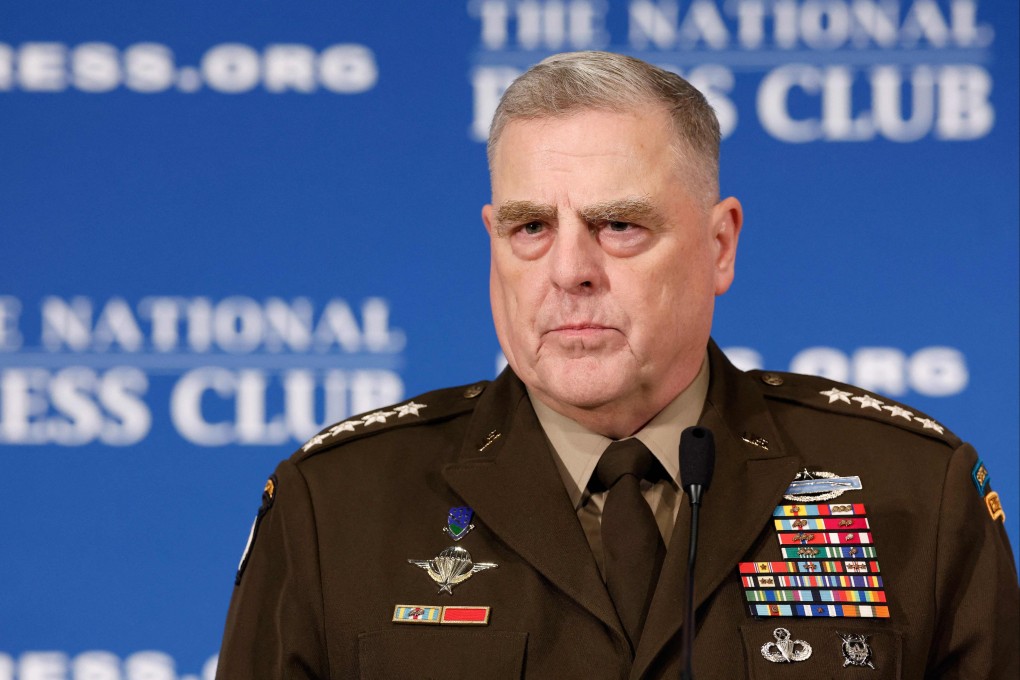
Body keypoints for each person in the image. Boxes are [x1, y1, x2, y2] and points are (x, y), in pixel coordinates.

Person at [215, 51, 1018, 679]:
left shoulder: (914, 494)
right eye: (530, 227)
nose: (569, 269)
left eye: (619, 226)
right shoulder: (337, 505)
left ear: (719, 245)